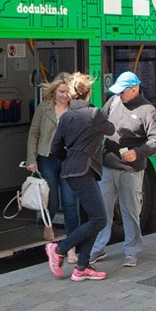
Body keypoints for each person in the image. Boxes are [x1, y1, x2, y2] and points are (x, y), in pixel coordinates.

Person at [88, 71, 156, 268]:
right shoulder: (113, 101)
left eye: (122, 92)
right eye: (118, 92)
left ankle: (131, 251)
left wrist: (138, 152)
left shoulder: (148, 110)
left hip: (131, 169)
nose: (119, 95)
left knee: (130, 211)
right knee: (102, 209)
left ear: (134, 89)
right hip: (108, 165)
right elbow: (100, 121)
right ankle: (98, 248)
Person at [45, 72, 113, 281]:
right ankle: (59, 249)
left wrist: (69, 158)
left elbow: (55, 147)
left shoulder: (66, 117)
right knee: (100, 218)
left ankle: (82, 266)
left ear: (72, 95)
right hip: (84, 171)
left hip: (72, 171)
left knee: (94, 218)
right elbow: (110, 129)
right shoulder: (94, 114)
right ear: (88, 93)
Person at [26, 72, 79, 242]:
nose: (64, 96)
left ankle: (72, 240)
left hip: (68, 160)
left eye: (67, 92)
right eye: (61, 92)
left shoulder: (76, 108)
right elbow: (34, 133)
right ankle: (48, 227)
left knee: (70, 201)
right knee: (52, 200)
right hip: (47, 159)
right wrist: (31, 159)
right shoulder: (44, 107)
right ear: (54, 91)